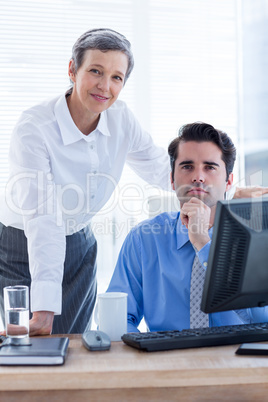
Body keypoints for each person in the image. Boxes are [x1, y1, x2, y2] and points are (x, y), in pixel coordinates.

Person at [0, 28, 172, 336]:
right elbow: (43, 218)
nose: (105, 86)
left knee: (77, 348)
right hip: (21, 246)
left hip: (80, 245)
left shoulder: (121, 117)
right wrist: (43, 308)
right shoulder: (34, 128)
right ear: (72, 70)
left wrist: (228, 190)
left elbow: (162, 168)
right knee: (30, 350)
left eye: (117, 77)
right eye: (96, 71)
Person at [107, 122, 268, 332]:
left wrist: (203, 244)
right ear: (172, 180)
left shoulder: (255, 238)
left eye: (210, 167)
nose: (198, 177)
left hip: (235, 359)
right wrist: (147, 354)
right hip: (165, 360)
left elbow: (262, 320)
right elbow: (116, 319)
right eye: (187, 166)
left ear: (229, 181)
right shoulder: (143, 239)